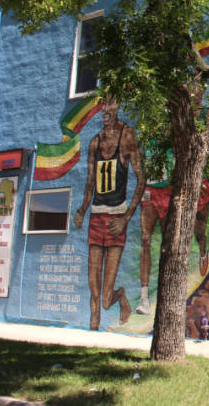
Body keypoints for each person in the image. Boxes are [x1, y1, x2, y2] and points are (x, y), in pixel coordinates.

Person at [74, 98, 145, 330]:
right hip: (96, 217)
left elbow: (141, 181)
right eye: (103, 106)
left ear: (117, 109)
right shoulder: (94, 143)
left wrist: (125, 219)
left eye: (111, 106)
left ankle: (120, 295)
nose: (106, 110)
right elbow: (90, 183)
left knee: (105, 300)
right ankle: (91, 334)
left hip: (116, 219)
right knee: (93, 292)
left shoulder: (127, 136)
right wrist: (82, 211)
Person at [136, 169, 209, 315]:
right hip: (150, 190)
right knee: (145, 240)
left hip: (170, 189)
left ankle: (203, 252)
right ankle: (144, 298)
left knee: (194, 235)